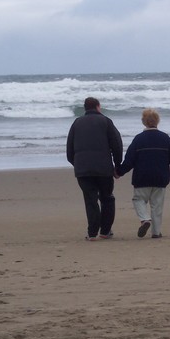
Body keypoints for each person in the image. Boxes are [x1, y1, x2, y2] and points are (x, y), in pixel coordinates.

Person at [117, 108, 170, 239]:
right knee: (157, 205)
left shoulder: (138, 139)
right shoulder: (165, 138)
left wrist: (119, 172)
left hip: (142, 177)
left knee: (139, 199)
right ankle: (156, 232)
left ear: (143, 122)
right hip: (160, 177)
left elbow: (129, 160)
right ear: (158, 121)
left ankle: (145, 219)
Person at [66, 97, 123, 241]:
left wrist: (77, 164)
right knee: (107, 198)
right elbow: (117, 144)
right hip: (104, 168)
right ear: (98, 107)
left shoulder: (76, 123)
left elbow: (69, 150)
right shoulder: (106, 121)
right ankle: (105, 231)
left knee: (90, 200)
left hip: (83, 170)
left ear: (85, 108)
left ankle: (92, 233)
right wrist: (117, 165)